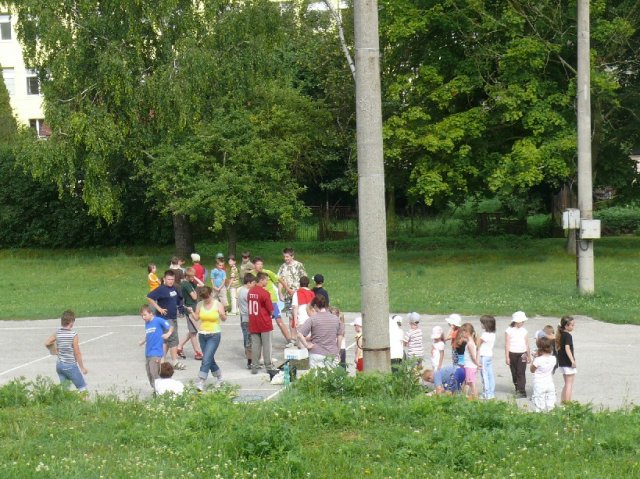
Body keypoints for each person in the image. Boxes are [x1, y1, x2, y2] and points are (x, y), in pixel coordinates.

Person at [146, 269, 186, 370]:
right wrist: (159, 308)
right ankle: (175, 361)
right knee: (173, 339)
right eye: (168, 279)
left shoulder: (174, 288)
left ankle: (161, 360)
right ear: (164, 279)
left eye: (172, 279)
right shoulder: (161, 289)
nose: (170, 281)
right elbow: (149, 297)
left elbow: (178, 300)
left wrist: (182, 308)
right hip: (165, 318)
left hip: (173, 317)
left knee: (166, 340)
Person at [252, 257, 294, 347]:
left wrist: (287, 289)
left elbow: (280, 279)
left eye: (261, 264)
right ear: (254, 265)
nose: (260, 266)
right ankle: (259, 342)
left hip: (271, 300)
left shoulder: (267, 272)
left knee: (279, 320)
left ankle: (289, 339)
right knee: (259, 321)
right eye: (258, 264)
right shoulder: (252, 274)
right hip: (259, 301)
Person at [44, 310, 88, 393]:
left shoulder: (57, 333)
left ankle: (65, 400)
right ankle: (87, 401)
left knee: (65, 390)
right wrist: (82, 368)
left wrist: (54, 351)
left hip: (60, 366)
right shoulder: (73, 334)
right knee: (82, 388)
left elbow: (47, 343)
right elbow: (77, 352)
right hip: (70, 365)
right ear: (71, 322)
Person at [192, 286, 227, 390]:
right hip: (202, 334)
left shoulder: (217, 304)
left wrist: (222, 315)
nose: (206, 300)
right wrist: (191, 312)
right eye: (203, 298)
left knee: (206, 358)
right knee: (209, 358)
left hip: (214, 334)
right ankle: (219, 377)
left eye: (207, 297)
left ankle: (201, 380)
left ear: (211, 294)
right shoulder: (200, 304)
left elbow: (224, 318)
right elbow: (196, 318)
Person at [297, 295, 344, 369]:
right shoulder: (336, 319)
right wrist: (337, 351)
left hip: (316, 353)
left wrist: (307, 345)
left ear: (315, 306)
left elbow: (299, 334)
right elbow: (340, 336)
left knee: (316, 375)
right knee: (331, 375)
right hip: (331, 353)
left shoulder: (312, 319)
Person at [138, 305, 173, 391]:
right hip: (148, 352)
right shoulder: (147, 323)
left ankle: (159, 391)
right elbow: (148, 334)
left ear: (151, 313)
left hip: (156, 352)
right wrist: (143, 341)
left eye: (145, 315)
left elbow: (171, 326)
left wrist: (168, 334)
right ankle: (155, 389)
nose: (143, 317)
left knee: (154, 373)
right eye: (142, 315)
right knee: (149, 373)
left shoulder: (158, 320)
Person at [248, 272, 276, 375]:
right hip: (264, 322)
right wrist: (272, 314)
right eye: (266, 279)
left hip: (253, 321)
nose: (267, 281)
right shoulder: (264, 293)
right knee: (267, 345)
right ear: (261, 280)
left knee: (255, 345)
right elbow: (270, 309)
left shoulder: (250, 291)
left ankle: (254, 367)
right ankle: (268, 366)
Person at [278, 247, 307, 335]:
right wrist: (280, 293)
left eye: (287, 256)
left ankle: (302, 336)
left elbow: (304, 280)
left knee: (300, 316)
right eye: (284, 256)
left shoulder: (299, 265)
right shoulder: (283, 267)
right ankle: (293, 338)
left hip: (298, 295)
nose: (285, 258)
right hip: (288, 296)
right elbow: (280, 280)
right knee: (291, 317)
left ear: (292, 256)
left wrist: (301, 292)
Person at [177, 267, 204, 360]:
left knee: (193, 330)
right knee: (193, 332)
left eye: (193, 276)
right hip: (189, 309)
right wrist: (195, 292)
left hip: (194, 308)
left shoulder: (191, 283)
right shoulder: (186, 284)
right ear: (187, 276)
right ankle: (197, 352)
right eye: (191, 276)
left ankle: (179, 346)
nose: (193, 278)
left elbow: (202, 284)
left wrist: (194, 277)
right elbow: (194, 297)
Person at [505, 310, 531, 398]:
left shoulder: (524, 331)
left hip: (523, 354)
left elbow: (527, 344)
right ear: (516, 321)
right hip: (512, 353)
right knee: (514, 372)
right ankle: (517, 388)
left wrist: (529, 355)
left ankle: (522, 391)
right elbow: (507, 344)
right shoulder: (509, 330)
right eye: (522, 321)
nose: (523, 323)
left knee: (521, 372)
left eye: (523, 321)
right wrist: (507, 357)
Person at [530, 336, 557, 412]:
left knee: (539, 405)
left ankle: (540, 415)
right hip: (549, 383)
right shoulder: (553, 358)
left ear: (539, 348)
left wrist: (534, 358)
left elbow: (532, 370)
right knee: (550, 404)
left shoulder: (538, 360)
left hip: (539, 384)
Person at [556, 315, 577, 403]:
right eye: (572, 325)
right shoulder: (568, 335)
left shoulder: (560, 335)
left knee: (566, 384)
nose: (573, 327)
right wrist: (572, 361)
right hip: (568, 362)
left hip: (562, 362)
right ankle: (568, 404)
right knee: (569, 384)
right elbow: (567, 348)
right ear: (566, 326)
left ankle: (563, 402)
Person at [238, 273, 256, 369]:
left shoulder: (240, 290)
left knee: (246, 336)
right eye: (253, 283)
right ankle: (250, 360)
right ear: (248, 283)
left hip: (243, 316)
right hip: (247, 317)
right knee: (249, 339)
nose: (254, 285)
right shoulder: (247, 292)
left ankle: (249, 355)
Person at [477, 315, 497, 399]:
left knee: (484, 375)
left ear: (486, 324)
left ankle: (486, 393)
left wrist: (477, 337)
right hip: (489, 355)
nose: (481, 325)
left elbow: (477, 344)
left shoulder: (484, 335)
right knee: (490, 374)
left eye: (482, 323)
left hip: (483, 356)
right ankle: (491, 392)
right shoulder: (492, 334)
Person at [460, 322, 479, 398]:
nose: (462, 333)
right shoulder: (470, 342)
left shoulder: (470, 344)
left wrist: (477, 364)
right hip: (469, 366)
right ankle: (465, 396)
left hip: (470, 366)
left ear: (467, 332)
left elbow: (473, 356)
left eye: (463, 332)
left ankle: (475, 397)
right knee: (468, 382)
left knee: (471, 383)